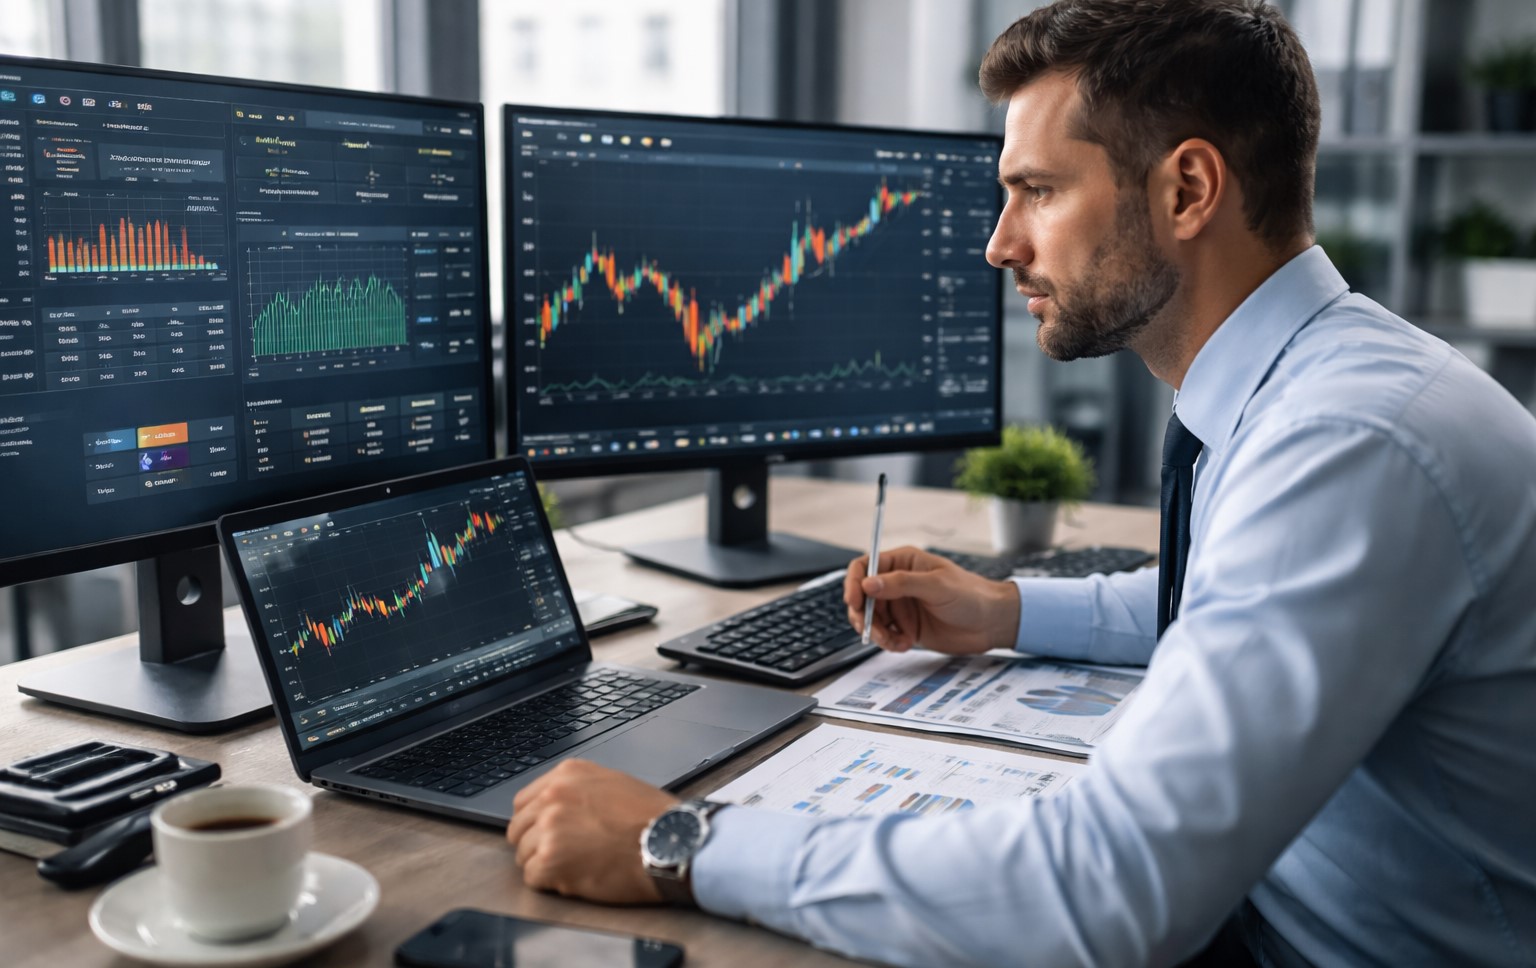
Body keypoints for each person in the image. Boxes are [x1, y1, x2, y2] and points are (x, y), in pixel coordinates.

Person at [506, 1, 1536, 965]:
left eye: (1037, 190)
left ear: (1187, 190)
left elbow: (1112, 889)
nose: (1000, 244)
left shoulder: (1346, 445)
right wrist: (1007, 609)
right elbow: (1230, 601)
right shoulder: (1320, 382)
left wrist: (683, 841)